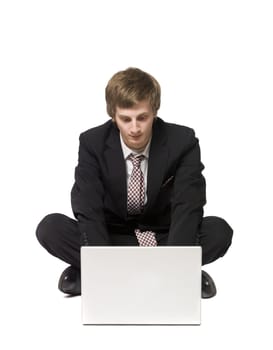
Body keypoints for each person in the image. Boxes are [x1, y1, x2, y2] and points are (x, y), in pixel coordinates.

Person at [36, 67, 233, 298]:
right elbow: (87, 205)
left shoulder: (183, 141)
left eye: (142, 117)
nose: (135, 128)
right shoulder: (92, 142)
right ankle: (174, 274)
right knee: (51, 228)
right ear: (113, 115)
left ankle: (97, 274)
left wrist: (178, 261)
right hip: (112, 236)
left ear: (154, 112)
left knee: (219, 231)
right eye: (125, 119)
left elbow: (188, 204)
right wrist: (100, 257)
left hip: (165, 237)